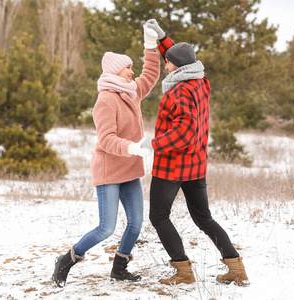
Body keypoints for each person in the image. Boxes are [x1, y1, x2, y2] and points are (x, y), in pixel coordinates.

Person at [52, 24, 161, 288]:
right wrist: (132, 148)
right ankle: (67, 259)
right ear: (116, 72)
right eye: (128, 69)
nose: (132, 73)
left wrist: (150, 45)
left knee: (136, 223)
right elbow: (106, 139)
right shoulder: (106, 101)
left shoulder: (131, 93)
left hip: (129, 169)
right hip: (109, 170)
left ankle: (119, 268)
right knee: (106, 228)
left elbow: (150, 74)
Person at [142, 19, 249, 286]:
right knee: (204, 218)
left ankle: (183, 271)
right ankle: (236, 267)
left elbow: (184, 133)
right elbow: (181, 55)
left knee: (158, 216)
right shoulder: (201, 82)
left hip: (172, 167)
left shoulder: (178, 93)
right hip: (196, 165)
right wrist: (163, 37)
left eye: (168, 61)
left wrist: (153, 144)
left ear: (176, 67)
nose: (165, 63)